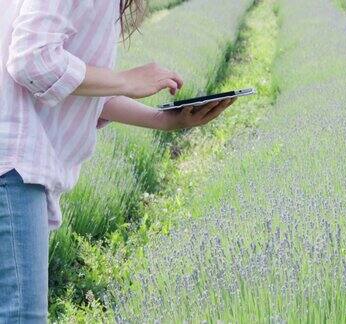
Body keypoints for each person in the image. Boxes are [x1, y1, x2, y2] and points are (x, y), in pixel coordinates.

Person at [0, 0, 236, 322]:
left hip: (15, 162)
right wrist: (126, 80)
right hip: (12, 163)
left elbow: (77, 86)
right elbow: (32, 60)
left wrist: (164, 121)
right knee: (22, 316)